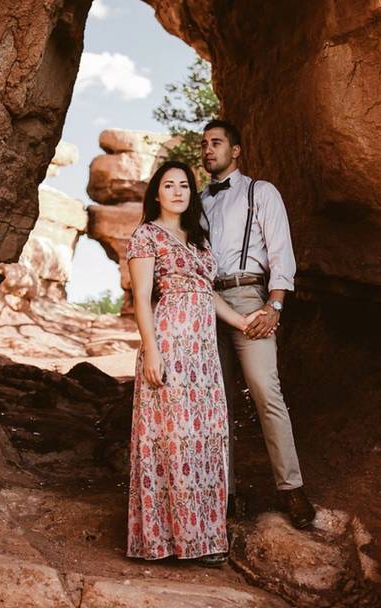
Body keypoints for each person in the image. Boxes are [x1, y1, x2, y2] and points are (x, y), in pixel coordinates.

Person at [126, 160, 264, 566]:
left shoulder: (199, 240)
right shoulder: (146, 236)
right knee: (172, 440)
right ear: (156, 194)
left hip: (203, 357)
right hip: (170, 345)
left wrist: (241, 320)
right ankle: (166, 541)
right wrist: (151, 349)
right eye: (168, 185)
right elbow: (142, 298)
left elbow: (208, 293)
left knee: (205, 440)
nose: (177, 191)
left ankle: (203, 539)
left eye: (184, 185)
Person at [199, 119, 317, 529]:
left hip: (251, 298)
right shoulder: (197, 202)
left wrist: (275, 306)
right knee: (218, 402)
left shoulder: (260, 192)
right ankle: (225, 495)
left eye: (216, 143)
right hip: (207, 304)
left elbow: (281, 252)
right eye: (204, 144)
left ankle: (292, 489)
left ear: (236, 151)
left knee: (267, 392)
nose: (207, 150)